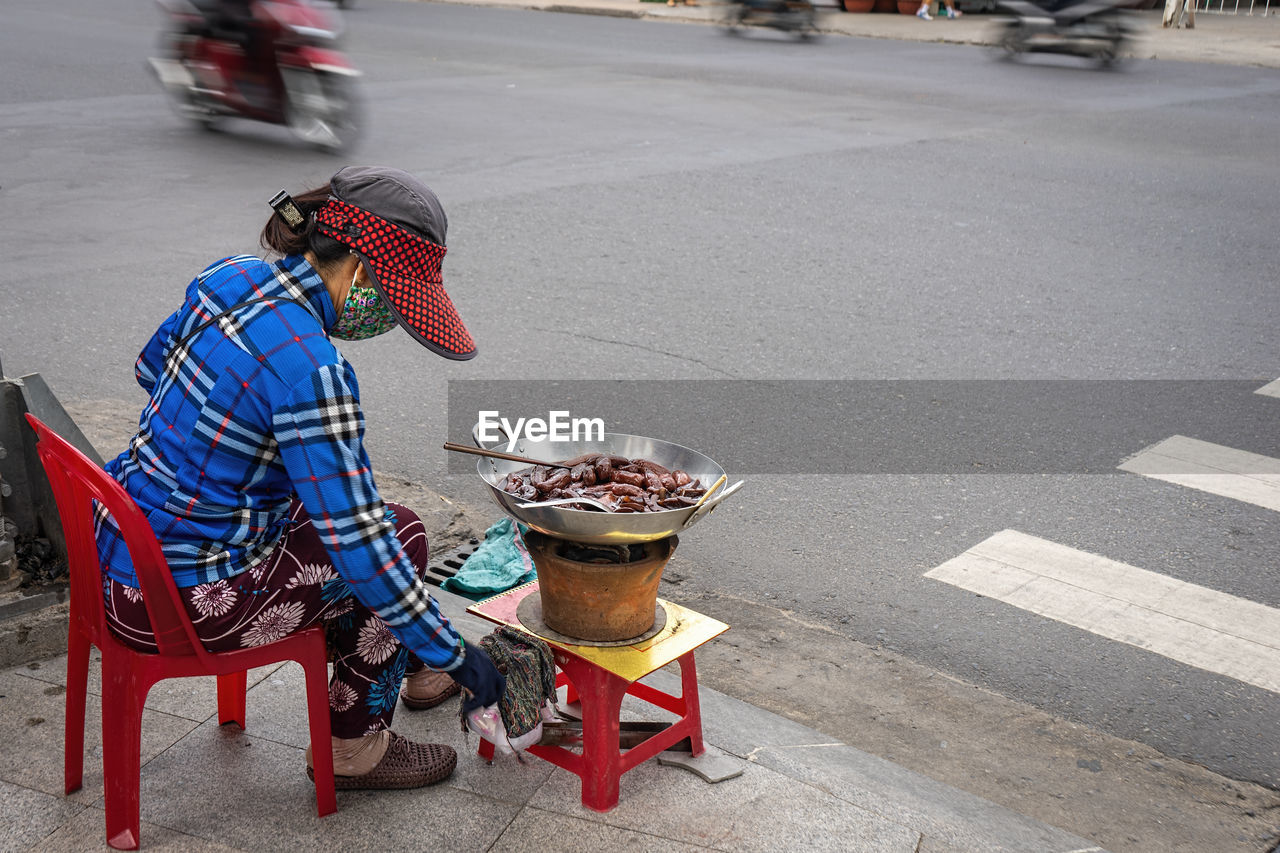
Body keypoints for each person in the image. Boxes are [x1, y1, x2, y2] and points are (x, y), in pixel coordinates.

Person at [94, 166, 505, 790]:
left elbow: (151, 371)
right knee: (398, 541)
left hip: (119, 559)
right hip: (185, 605)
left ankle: (417, 671)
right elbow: (364, 551)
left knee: (375, 525)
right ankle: (355, 750)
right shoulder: (314, 371)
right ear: (361, 271)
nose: (388, 319)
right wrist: (465, 657)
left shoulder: (225, 277)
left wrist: (244, 457)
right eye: (393, 303)